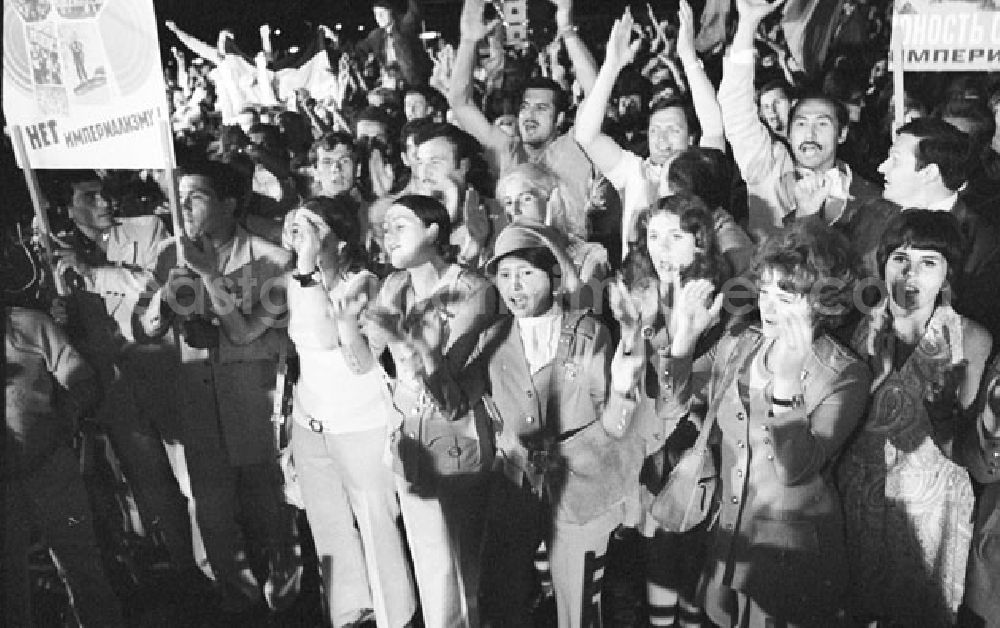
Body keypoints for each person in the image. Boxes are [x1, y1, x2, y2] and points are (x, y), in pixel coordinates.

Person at [413, 222, 645, 627]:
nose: (514, 287)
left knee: (579, 603)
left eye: (526, 273)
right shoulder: (495, 337)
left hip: (581, 484)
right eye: (504, 276)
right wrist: (431, 358)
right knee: (500, 595)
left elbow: (615, 423)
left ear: (555, 278)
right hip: (515, 485)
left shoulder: (588, 333)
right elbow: (453, 406)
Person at [654, 221, 872, 626]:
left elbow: (795, 471)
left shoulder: (845, 374)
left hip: (789, 558)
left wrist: (787, 386)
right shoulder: (741, 339)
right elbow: (671, 407)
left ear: (823, 300)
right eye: (765, 292)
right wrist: (683, 340)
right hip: (728, 539)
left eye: (785, 296)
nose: (768, 307)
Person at [136, 159, 300, 613]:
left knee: (270, 506)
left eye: (197, 196)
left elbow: (259, 333)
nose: (183, 207)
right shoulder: (172, 254)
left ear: (230, 203)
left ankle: (287, 598)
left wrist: (214, 296)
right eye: (180, 197)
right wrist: (163, 301)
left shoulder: (271, 259)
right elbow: (147, 325)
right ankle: (238, 601)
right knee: (213, 509)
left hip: (253, 399)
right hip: (198, 403)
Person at [837, 210, 992, 626]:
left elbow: (968, 450)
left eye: (929, 262)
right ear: (883, 264)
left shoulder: (969, 338)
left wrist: (944, 412)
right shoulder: (857, 330)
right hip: (861, 503)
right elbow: (838, 429)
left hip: (930, 515)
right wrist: (876, 376)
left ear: (947, 274)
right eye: (900, 259)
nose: (911, 274)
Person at [48, 171, 196, 577]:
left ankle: (216, 570)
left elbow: (158, 284)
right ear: (67, 207)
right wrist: (60, 312)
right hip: (114, 390)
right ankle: (185, 573)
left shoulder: (148, 228)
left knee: (192, 478)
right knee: (151, 487)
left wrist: (93, 273)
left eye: (104, 194)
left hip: (163, 374)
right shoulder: (55, 251)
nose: (103, 204)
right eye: (89, 197)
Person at [363, 193, 498, 627]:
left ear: (434, 232)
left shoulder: (470, 289)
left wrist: (419, 353)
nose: (389, 234)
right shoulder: (392, 287)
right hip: (408, 435)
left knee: (463, 564)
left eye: (401, 225)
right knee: (428, 557)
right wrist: (350, 324)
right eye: (385, 228)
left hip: (455, 433)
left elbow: (452, 395)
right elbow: (365, 361)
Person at [284, 196, 417, 627]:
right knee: (329, 526)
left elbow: (324, 337)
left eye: (313, 227)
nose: (300, 235)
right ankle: (350, 615)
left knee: (375, 522)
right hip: (311, 421)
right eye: (296, 225)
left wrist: (306, 270)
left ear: (340, 241)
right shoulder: (297, 278)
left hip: (359, 423)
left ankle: (395, 616)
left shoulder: (366, 283)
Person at [611, 192, 735, 628]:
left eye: (675, 236)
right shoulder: (643, 295)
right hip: (649, 447)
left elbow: (680, 396)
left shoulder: (720, 303)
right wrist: (635, 327)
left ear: (700, 243)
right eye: (653, 236)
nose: (660, 248)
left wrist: (680, 330)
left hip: (696, 451)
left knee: (689, 565)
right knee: (657, 560)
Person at [2, 239, 125, 628]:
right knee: (7, 586)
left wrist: (66, 416)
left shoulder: (29, 325)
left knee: (82, 564)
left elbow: (82, 380)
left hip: (50, 467)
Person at [575, 4, 725, 257]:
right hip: (638, 289)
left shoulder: (702, 171)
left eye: (673, 130)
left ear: (691, 138)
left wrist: (689, 57)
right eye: (655, 131)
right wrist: (611, 66)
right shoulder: (635, 171)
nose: (663, 140)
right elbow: (586, 136)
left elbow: (714, 127)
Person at [718, 0, 880, 236]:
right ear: (790, 131)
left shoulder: (869, 196)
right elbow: (735, 105)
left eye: (822, 124)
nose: (810, 134)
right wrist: (747, 24)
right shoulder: (768, 168)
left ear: (842, 133)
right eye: (801, 123)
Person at [450, 0, 599, 238]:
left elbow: (595, 91)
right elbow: (461, 104)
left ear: (560, 119)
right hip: (516, 258)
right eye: (525, 107)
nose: (529, 115)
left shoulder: (575, 145)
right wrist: (468, 41)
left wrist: (566, 27)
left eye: (541, 108)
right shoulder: (507, 151)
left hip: (570, 257)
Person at [846, 117, 1000, 343]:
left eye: (895, 160)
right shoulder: (870, 216)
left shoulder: (982, 244)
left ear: (929, 173)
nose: (882, 167)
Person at [356, 0, 432, 87]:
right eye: (376, 14)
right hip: (388, 81)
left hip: (409, 81)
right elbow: (360, 49)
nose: (379, 17)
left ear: (391, 11)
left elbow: (415, 12)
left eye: (382, 13)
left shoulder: (404, 27)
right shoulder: (375, 35)